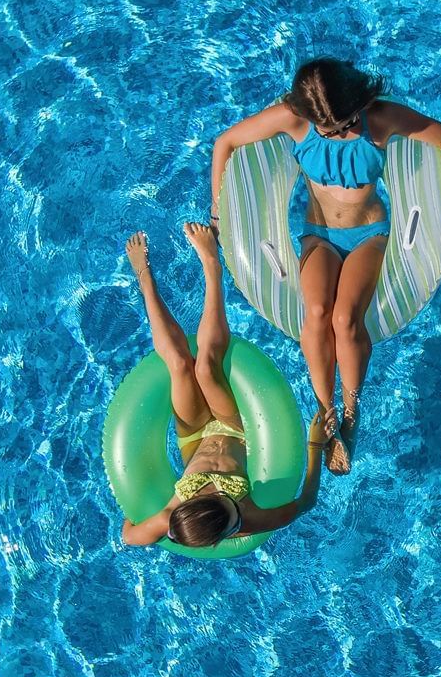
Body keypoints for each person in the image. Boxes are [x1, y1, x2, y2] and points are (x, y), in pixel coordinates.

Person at [210, 57, 441, 475]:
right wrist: (219, 210)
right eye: (329, 130)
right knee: (314, 313)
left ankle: (351, 413)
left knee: (346, 318)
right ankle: (325, 410)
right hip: (319, 235)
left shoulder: (379, 119)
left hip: (370, 234)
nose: (341, 134)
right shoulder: (294, 120)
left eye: (347, 124)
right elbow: (225, 143)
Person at [120, 224, 325, 547]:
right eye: (228, 506)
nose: (220, 496)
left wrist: (135, 499)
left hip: (194, 433)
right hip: (234, 429)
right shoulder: (250, 519)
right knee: (205, 367)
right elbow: (305, 503)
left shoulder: (169, 517)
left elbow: (130, 537)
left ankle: (145, 278)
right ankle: (212, 266)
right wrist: (315, 446)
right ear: (230, 531)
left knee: (179, 365)